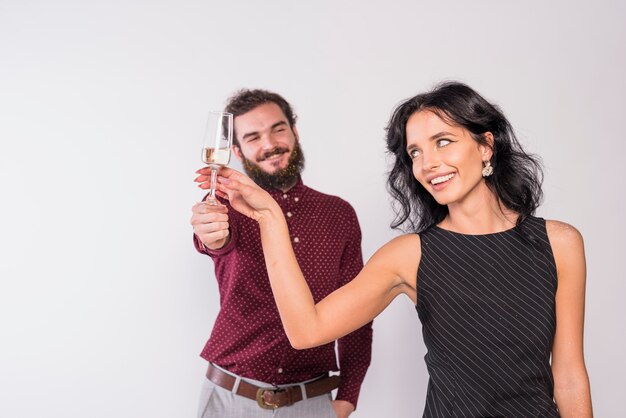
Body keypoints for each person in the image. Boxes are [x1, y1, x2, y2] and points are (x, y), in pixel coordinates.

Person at [211, 82, 593, 417]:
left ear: (485, 146)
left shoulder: (560, 243)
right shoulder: (409, 255)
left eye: (443, 141)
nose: (428, 164)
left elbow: (570, 374)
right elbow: (306, 330)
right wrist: (270, 218)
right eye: (415, 153)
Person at [191, 89, 373, 418]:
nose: (270, 144)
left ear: (294, 131)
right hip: (229, 401)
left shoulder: (339, 214)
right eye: (253, 136)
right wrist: (209, 231)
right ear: (236, 150)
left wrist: (348, 396)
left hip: (312, 403)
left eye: (278, 129)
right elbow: (214, 239)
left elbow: (357, 314)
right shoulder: (227, 206)